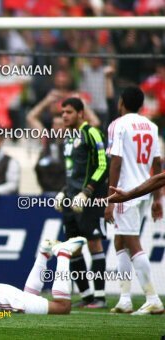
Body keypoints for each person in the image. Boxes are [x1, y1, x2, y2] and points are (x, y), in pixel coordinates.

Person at [105, 86, 164, 315]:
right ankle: (125, 299)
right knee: (120, 242)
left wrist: (110, 200)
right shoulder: (152, 126)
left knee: (131, 243)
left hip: (125, 192)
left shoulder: (118, 125)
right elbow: (157, 164)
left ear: (121, 102)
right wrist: (157, 198)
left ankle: (152, 297)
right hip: (145, 191)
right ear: (140, 105)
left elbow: (116, 162)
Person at [54, 97, 108, 308]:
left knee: (94, 243)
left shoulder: (92, 133)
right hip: (71, 200)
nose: (64, 116)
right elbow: (72, 173)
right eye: (62, 112)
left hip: (90, 200)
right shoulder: (68, 138)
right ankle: (86, 296)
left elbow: (103, 166)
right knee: (73, 247)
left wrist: (87, 192)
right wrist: (63, 191)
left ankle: (100, 297)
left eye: (68, 112)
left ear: (80, 114)